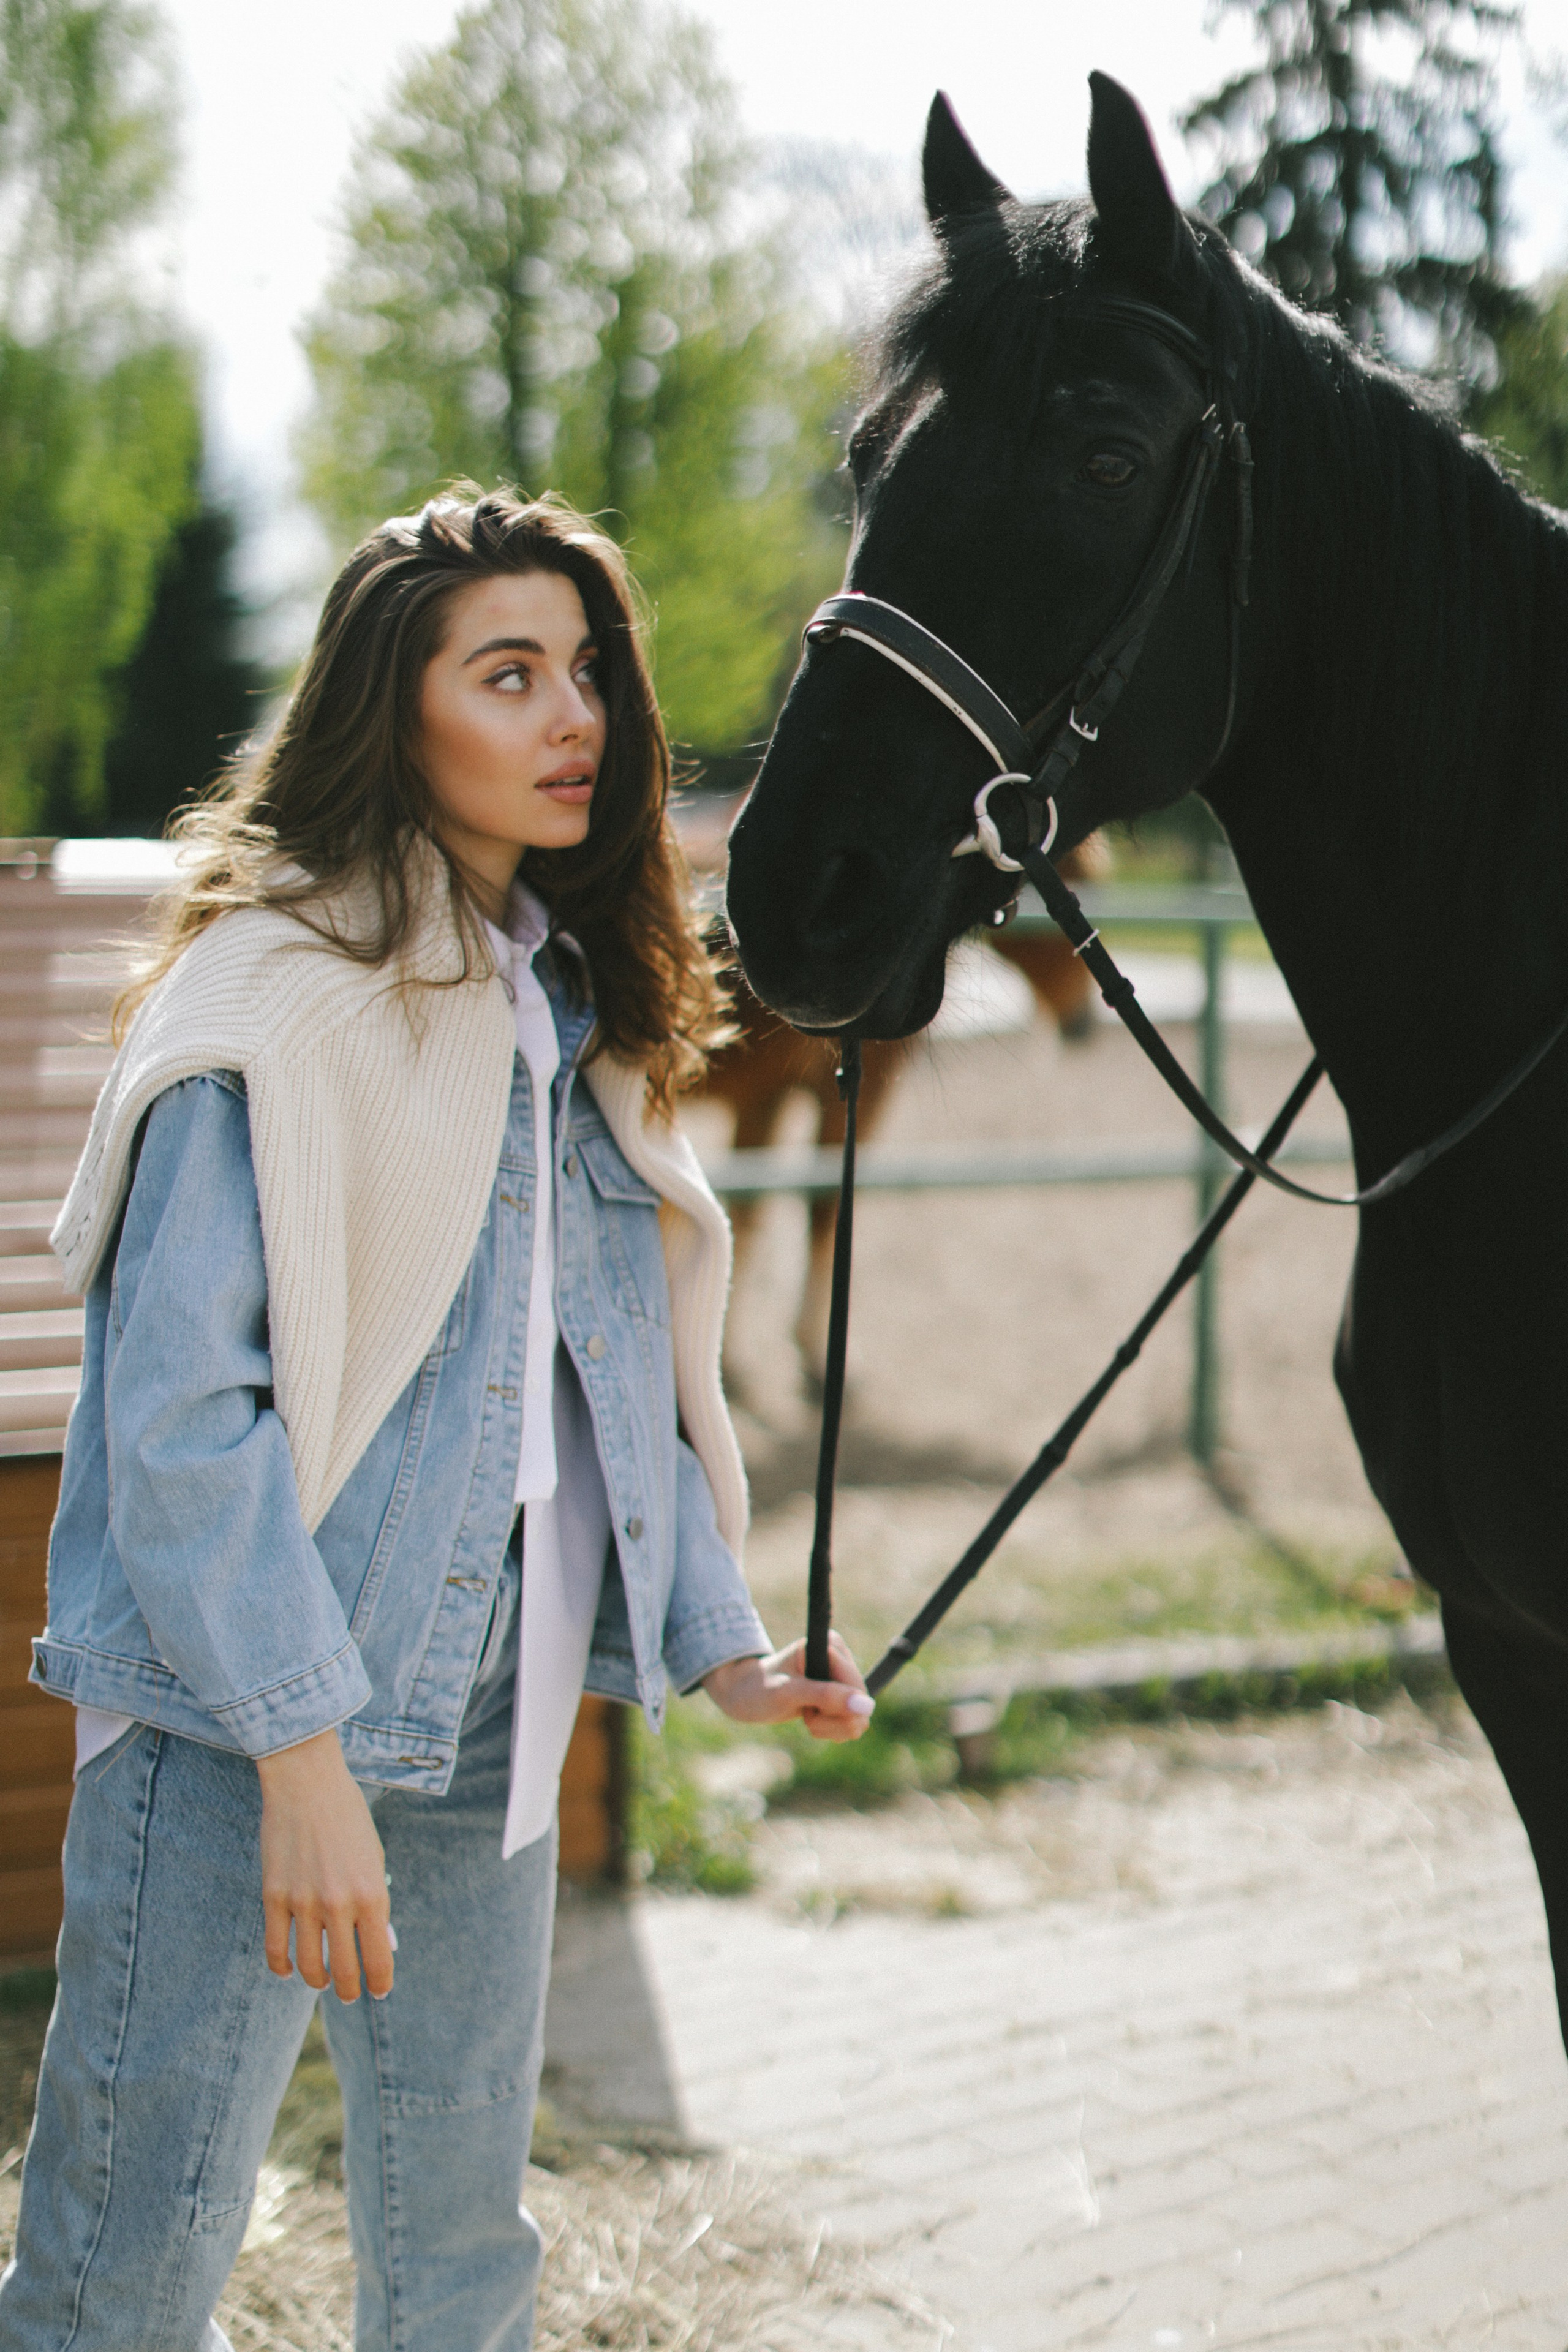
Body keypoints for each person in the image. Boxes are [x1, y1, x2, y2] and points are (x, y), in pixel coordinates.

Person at [0, 488, 872, 2351]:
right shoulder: (271, 1000)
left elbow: (594, 1376)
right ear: (393, 713)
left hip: (491, 1706)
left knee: (466, 2250)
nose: (578, 720)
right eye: (510, 675)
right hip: (235, 1725)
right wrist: (302, 1769)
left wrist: (723, 1646)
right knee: (127, 2264)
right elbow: (175, 1428)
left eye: (588, 675)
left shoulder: (566, 1005)